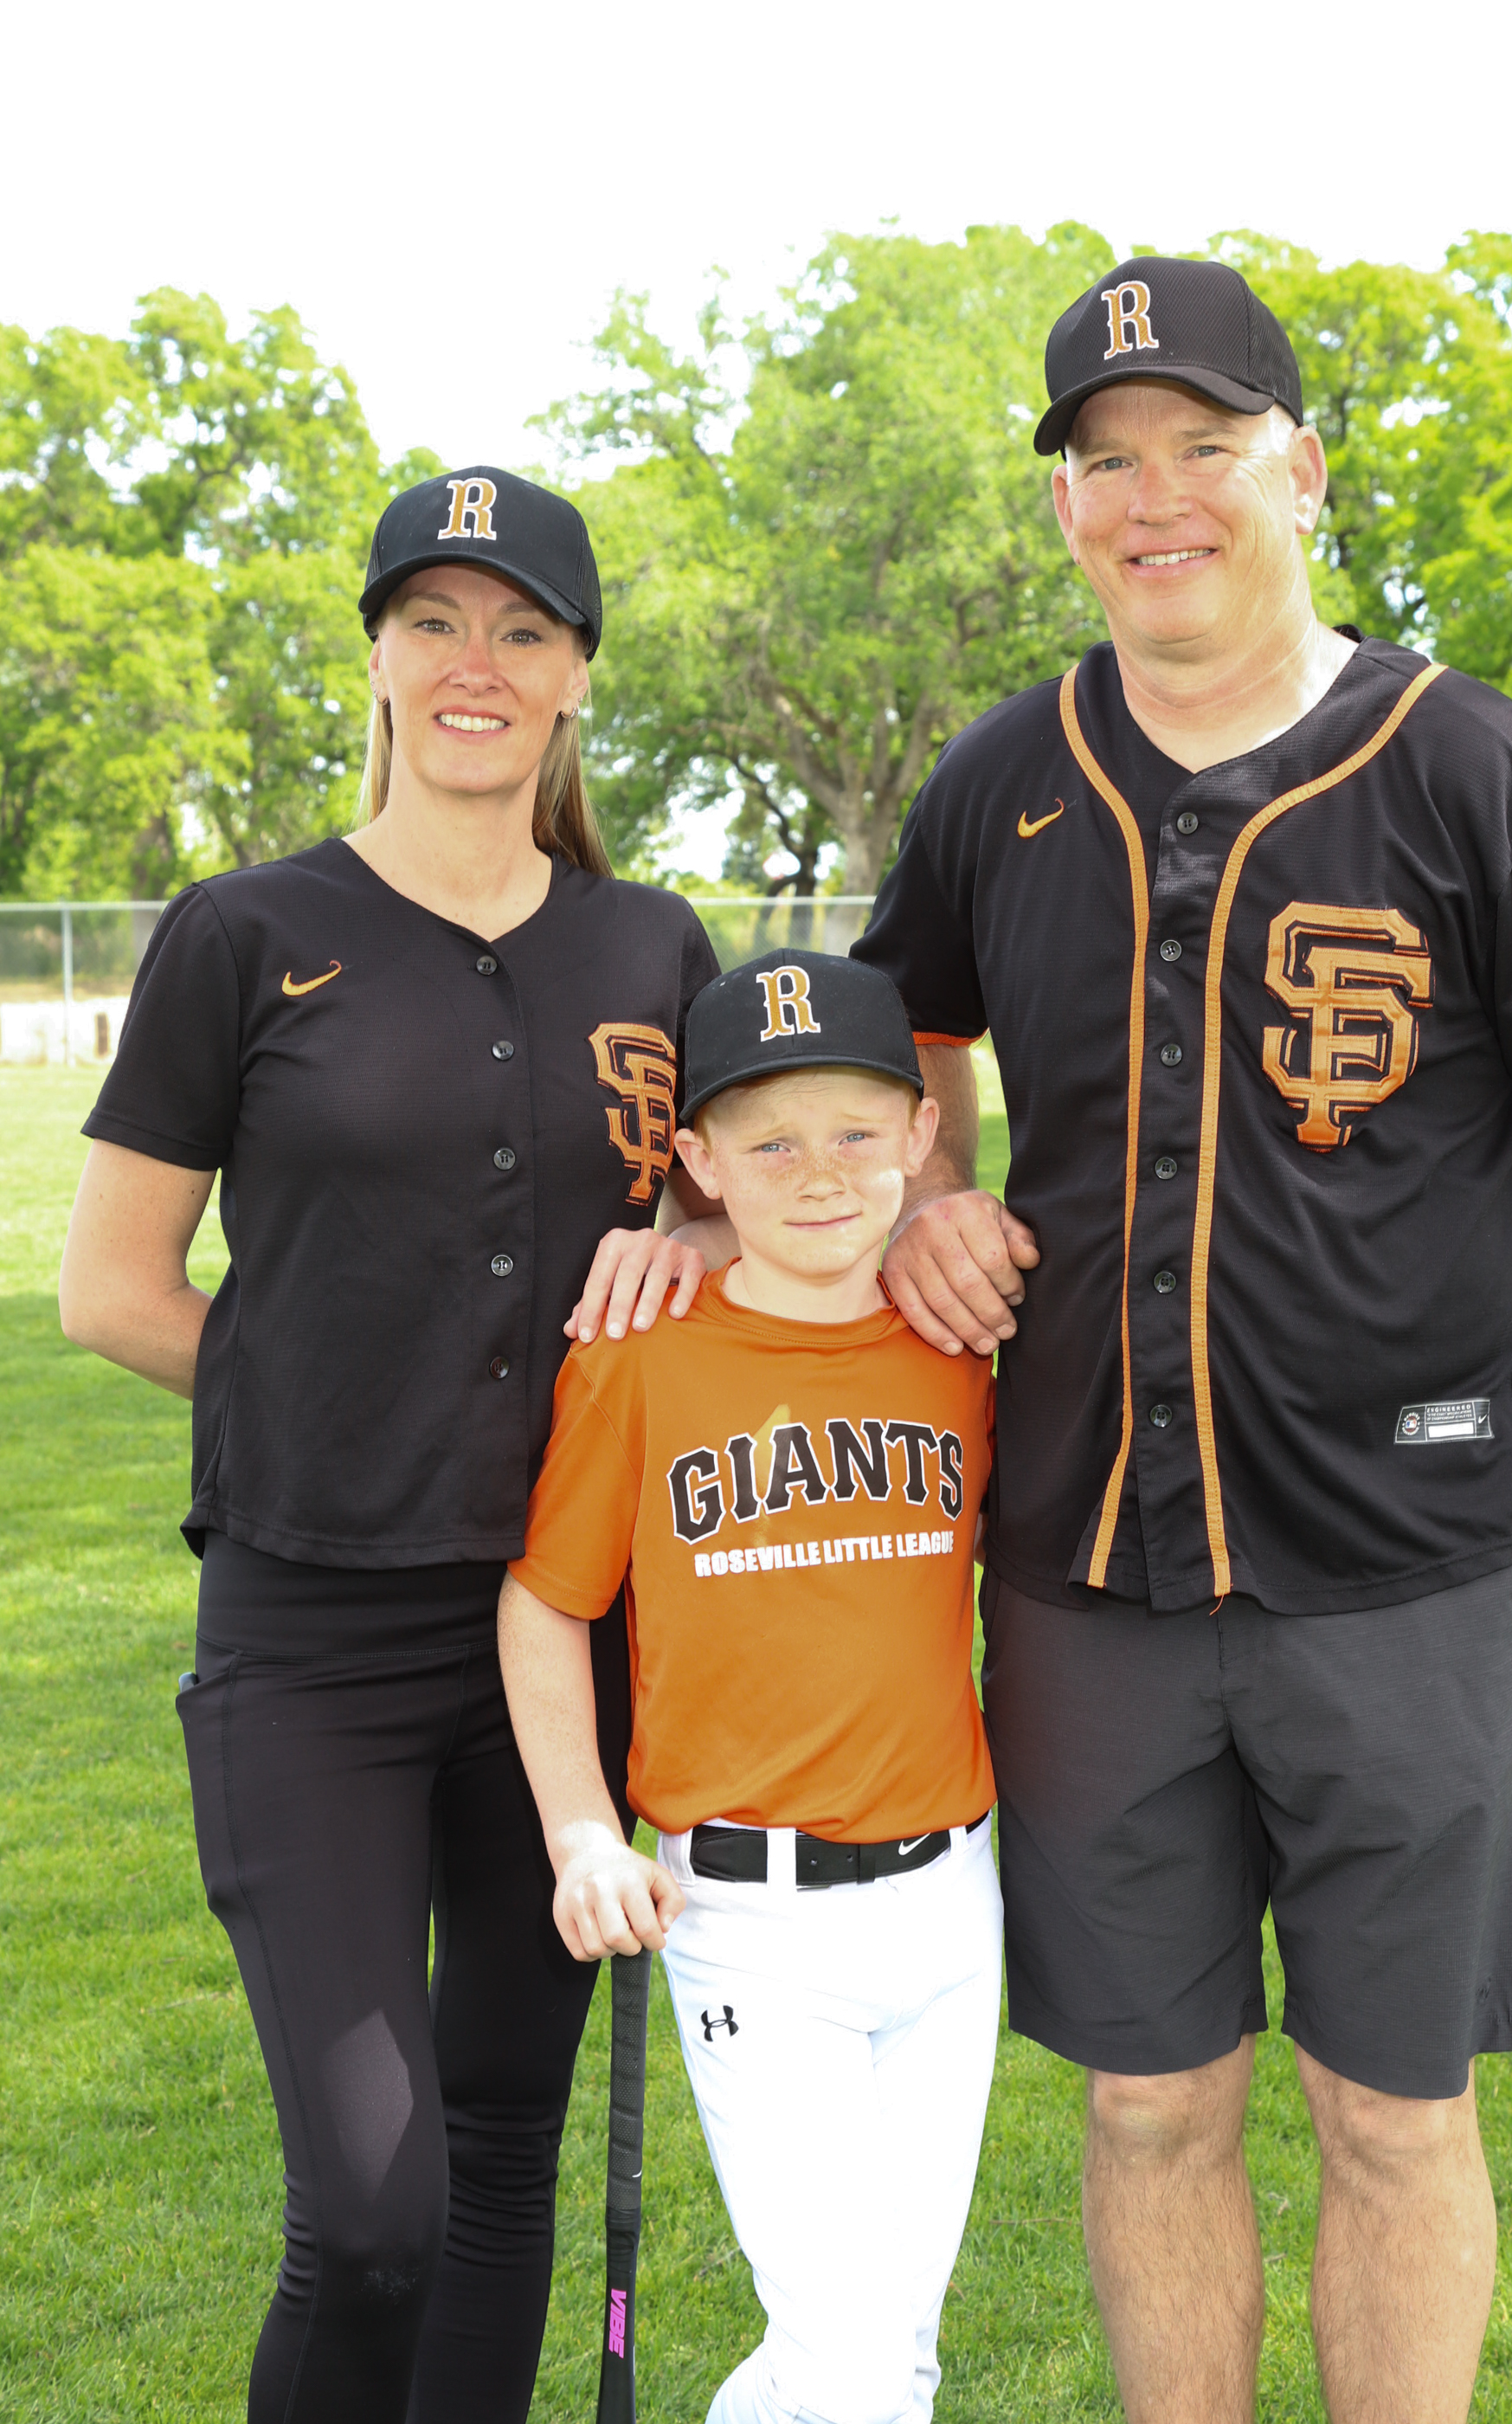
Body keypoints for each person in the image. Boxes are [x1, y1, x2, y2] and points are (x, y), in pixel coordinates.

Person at [845, 257, 1512, 2423]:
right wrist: (931, 1185)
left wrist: (1484, 1359)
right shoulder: (1000, 775)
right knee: (1148, 2102)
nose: (1154, 497)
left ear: (1301, 471)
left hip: (1399, 1580)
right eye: (1104, 460)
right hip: (1086, 1564)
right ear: (1062, 505)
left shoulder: (1478, 770)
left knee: (1393, 2112)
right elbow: (892, 1036)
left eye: (1203, 447)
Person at [57, 465, 724, 2424]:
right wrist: (335, 1404)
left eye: (521, 629)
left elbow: (747, 1213)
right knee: (369, 2210)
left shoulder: (654, 949)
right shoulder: (247, 931)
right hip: (314, 1641)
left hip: (569, 1636)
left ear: (577, 676)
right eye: (432, 622)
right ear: (375, 656)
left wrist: (694, 1245)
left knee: (502, 2150)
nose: (473, 663)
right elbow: (110, 1288)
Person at [499, 948, 1000, 2424]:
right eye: (769, 1143)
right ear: (700, 1163)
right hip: (748, 1918)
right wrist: (581, 1833)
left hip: (952, 1906)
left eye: (856, 1130)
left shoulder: (963, 1345)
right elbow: (547, 1602)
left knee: (888, 2348)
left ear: (921, 1131)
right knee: (850, 2358)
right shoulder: (643, 1359)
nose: (820, 1171)